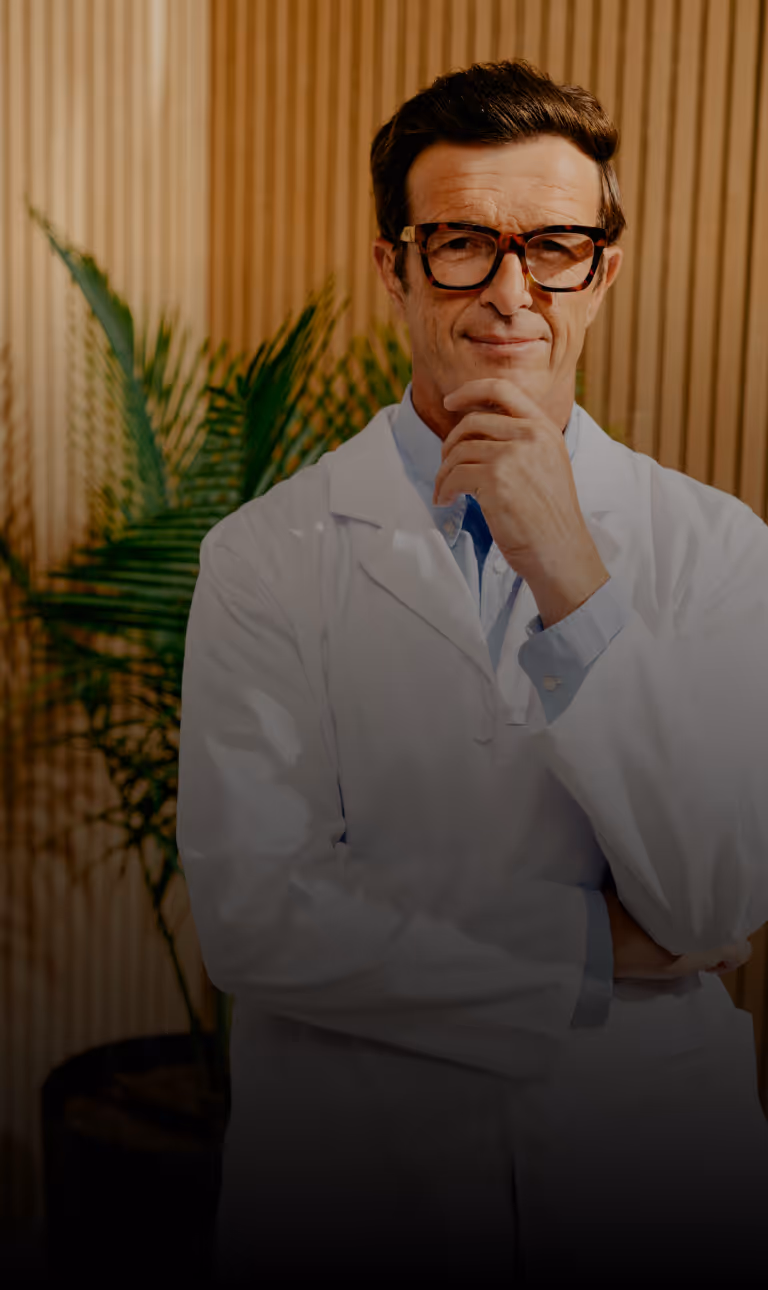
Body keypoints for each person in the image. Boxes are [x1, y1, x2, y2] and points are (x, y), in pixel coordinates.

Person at [177, 60, 768, 1285]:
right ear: (393, 265)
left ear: (604, 270)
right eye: (460, 244)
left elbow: (717, 902)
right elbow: (256, 920)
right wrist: (598, 954)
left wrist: (571, 571)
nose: (511, 292)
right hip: (357, 1181)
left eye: (554, 245)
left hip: (649, 1168)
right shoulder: (263, 557)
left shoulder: (722, 549)